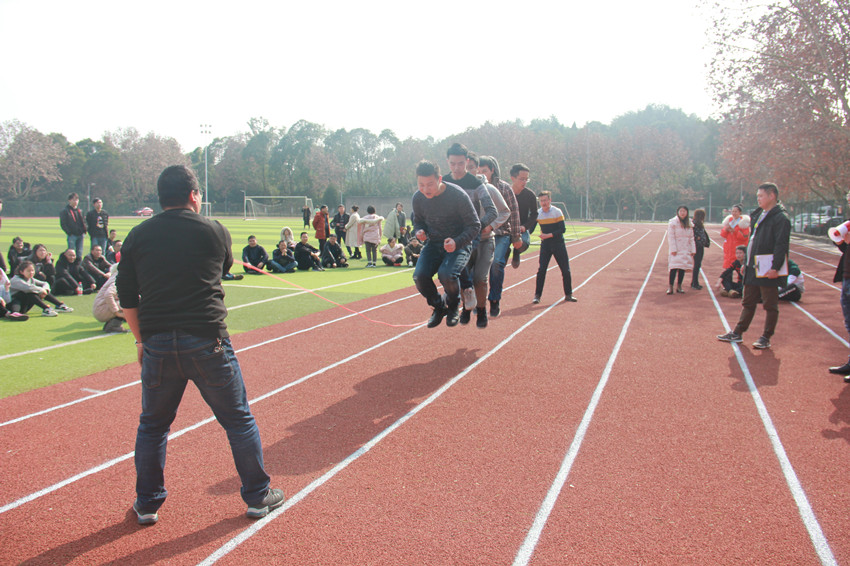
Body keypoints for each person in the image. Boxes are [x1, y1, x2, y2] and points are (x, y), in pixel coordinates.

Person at [116, 164, 284, 525]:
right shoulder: (214, 230)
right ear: (194, 195)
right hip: (208, 340)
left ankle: (147, 503)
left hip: (158, 342)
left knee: (153, 426)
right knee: (238, 420)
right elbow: (222, 268)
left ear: (161, 198)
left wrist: (141, 340)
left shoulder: (138, 236)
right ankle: (258, 495)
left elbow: (126, 293)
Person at [717, 183, 791, 350]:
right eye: (757, 196)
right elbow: (753, 241)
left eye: (761, 196)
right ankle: (738, 332)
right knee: (748, 301)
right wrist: (746, 263)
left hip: (767, 267)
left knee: (770, 304)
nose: (758, 199)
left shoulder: (781, 218)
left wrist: (775, 267)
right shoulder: (759, 214)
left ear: (772, 196)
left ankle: (766, 337)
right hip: (753, 266)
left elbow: (781, 245)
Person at [412, 160, 480, 328]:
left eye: (430, 184)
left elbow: (474, 225)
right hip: (433, 244)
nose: (425, 189)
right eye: (421, 185)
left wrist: (457, 242)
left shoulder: (457, 195)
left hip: (459, 245)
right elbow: (418, 221)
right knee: (419, 277)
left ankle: (453, 306)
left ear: (439, 179)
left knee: (447, 275)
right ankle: (439, 307)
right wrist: (419, 231)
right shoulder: (418, 198)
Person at [458, 153, 507, 328]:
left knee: (479, 278)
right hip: (464, 241)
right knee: (462, 277)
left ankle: (481, 310)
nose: (468, 171)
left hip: (485, 241)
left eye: (472, 168)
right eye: (466, 168)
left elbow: (504, 211)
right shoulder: (457, 189)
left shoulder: (488, 189)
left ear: (477, 169)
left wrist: (490, 226)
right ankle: (466, 308)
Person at [480, 155, 521, 318]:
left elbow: (514, 212)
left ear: (492, 170)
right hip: (480, 235)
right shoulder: (474, 188)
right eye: (478, 170)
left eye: (484, 170)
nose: (481, 174)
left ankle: (494, 299)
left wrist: (516, 237)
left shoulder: (504, 188)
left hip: (501, 233)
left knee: (496, 263)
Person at [533, 191, 577, 304]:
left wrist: (548, 235)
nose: (543, 203)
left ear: (550, 200)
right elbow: (531, 227)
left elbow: (562, 229)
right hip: (545, 245)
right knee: (541, 270)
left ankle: (568, 294)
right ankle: (537, 296)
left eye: (545, 200)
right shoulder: (538, 213)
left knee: (565, 270)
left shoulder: (557, 212)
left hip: (558, 244)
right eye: (541, 201)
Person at [9, 260, 73, 317]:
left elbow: (45, 283)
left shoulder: (30, 279)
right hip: (13, 306)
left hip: (24, 306)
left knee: (38, 291)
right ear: (21, 272)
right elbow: (28, 288)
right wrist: (42, 290)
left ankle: (59, 305)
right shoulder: (16, 280)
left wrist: (45, 290)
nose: (31, 272)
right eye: (28, 271)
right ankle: (46, 309)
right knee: (31, 292)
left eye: (32, 270)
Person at [508, 163, 539, 269]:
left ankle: (517, 252)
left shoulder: (530, 195)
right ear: (513, 178)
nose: (524, 182)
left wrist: (525, 227)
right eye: (522, 179)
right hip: (506, 229)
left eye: (526, 179)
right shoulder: (505, 192)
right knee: (500, 254)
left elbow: (534, 214)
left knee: (523, 244)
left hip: (522, 229)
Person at [666, 205, 696, 295]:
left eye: (684, 211)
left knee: (682, 268)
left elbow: (691, 238)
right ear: (678, 212)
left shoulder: (689, 223)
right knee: (673, 268)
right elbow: (671, 237)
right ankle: (670, 287)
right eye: (681, 211)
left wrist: (693, 249)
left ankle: (679, 286)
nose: (682, 213)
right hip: (676, 249)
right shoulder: (673, 223)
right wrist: (673, 249)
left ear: (687, 213)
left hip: (685, 248)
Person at [93, 264, 128, 333]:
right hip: (102, 310)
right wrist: (117, 312)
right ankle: (114, 325)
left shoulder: (116, 276)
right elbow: (108, 294)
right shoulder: (120, 277)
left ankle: (113, 323)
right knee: (132, 302)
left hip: (101, 309)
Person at [720, 204, 751, 269]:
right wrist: (726, 230)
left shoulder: (744, 223)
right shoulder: (729, 221)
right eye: (733, 211)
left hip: (739, 250)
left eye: (736, 211)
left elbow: (745, 237)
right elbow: (722, 234)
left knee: (740, 270)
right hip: (729, 249)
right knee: (728, 270)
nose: (734, 213)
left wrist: (735, 231)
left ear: (740, 212)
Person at [59, 192, 87, 259]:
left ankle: (79, 265)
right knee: (71, 253)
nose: (76, 201)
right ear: (69, 200)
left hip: (80, 234)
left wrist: (85, 230)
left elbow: (84, 221)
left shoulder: (80, 211)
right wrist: (69, 232)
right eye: (74, 200)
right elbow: (63, 223)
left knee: (79, 253)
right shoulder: (65, 211)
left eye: (77, 200)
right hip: (72, 235)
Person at [691, 208, 710, 290]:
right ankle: (694, 283)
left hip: (700, 245)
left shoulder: (699, 223)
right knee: (697, 264)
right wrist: (698, 238)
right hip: (697, 246)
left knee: (698, 264)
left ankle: (694, 282)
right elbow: (692, 234)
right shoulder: (695, 224)